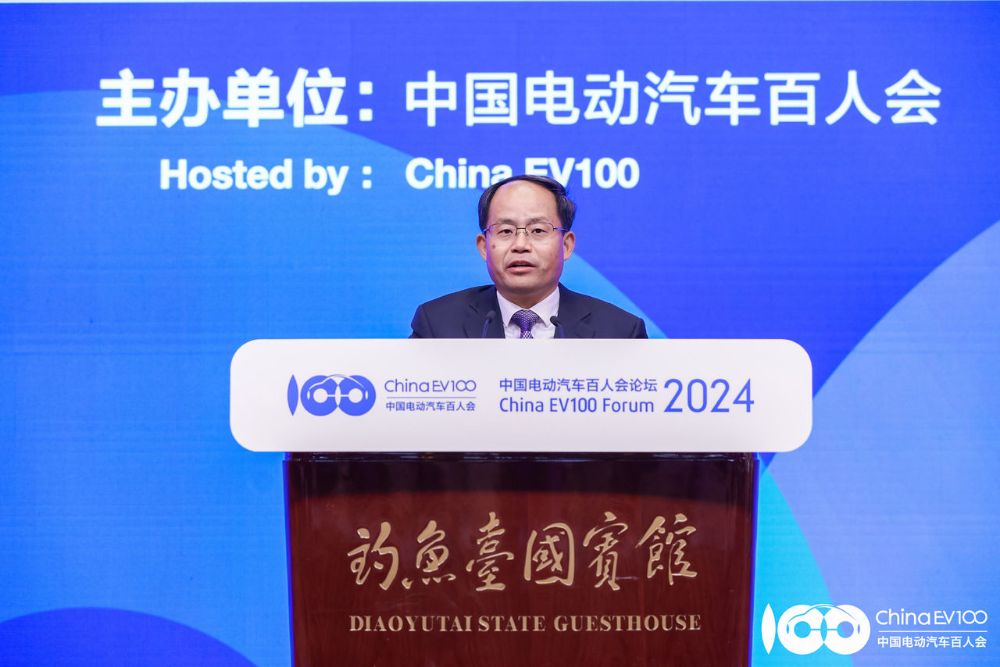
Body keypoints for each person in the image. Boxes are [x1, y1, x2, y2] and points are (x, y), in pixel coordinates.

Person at [410, 174, 647, 339]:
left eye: (538, 231)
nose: (520, 245)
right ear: (483, 247)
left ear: (566, 245)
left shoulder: (619, 332)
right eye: (505, 231)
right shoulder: (437, 325)